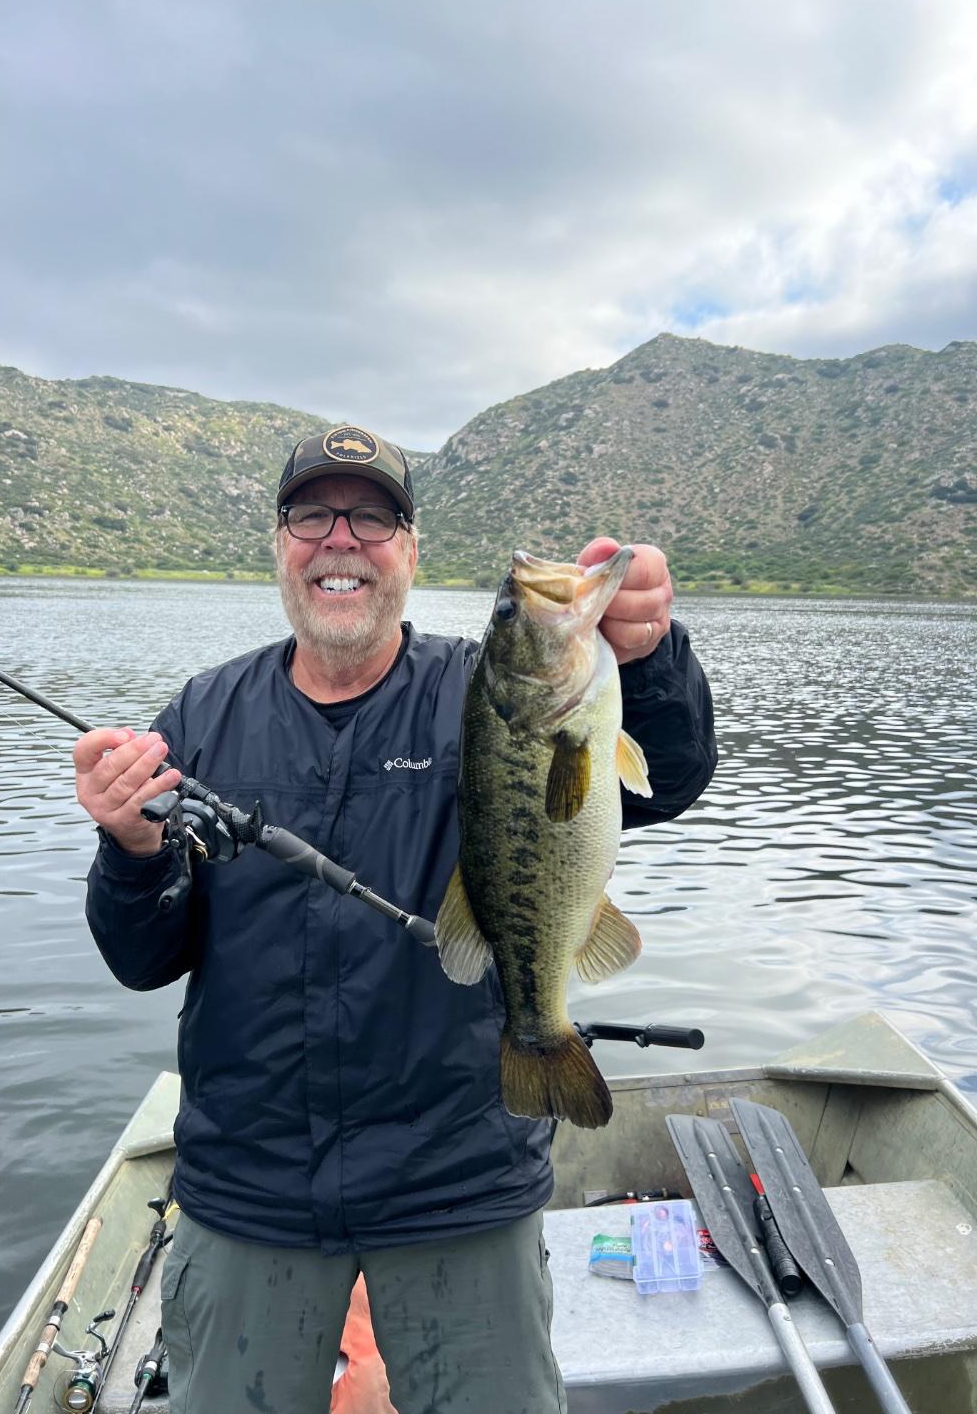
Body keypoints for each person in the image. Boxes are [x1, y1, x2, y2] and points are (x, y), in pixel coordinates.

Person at [74, 425, 717, 1414]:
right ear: (280, 544)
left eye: (372, 517)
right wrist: (130, 848)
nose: (341, 539)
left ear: (410, 551)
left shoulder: (483, 690)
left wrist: (652, 652)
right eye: (312, 515)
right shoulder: (203, 715)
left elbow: (666, 776)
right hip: (250, 1189)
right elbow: (143, 956)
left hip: (458, 1182)